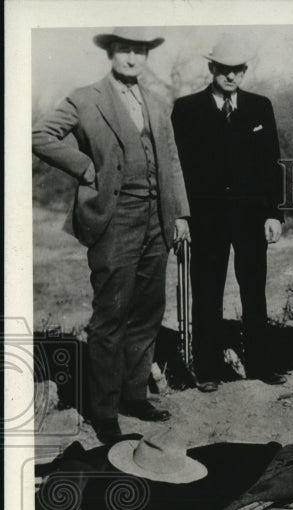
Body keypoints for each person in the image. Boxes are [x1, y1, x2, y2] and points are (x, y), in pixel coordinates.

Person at [32, 27, 191, 444]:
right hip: (114, 220)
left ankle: (133, 394)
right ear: (111, 54)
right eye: (125, 51)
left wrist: (182, 215)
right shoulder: (86, 98)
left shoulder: (157, 105)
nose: (133, 59)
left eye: (140, 51)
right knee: (111, 315)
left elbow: (171, 161)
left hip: (158, 219)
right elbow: (40, 135)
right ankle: (103, 410)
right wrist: (87, 169)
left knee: (147, 312)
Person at [171, 34, 287, 392]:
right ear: (212, 69)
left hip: (251, 217)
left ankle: (261, 364)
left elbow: (272, 164)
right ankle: (207, 368)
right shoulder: (187, 108)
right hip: (207, 219)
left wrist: (274, 213)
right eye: (224, 69)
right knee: (207, 291)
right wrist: (182, 216)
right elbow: (179, 168)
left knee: (254, 290)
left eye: (238, 70)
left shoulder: (259, 106)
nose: (231, 76)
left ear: (245, 71)